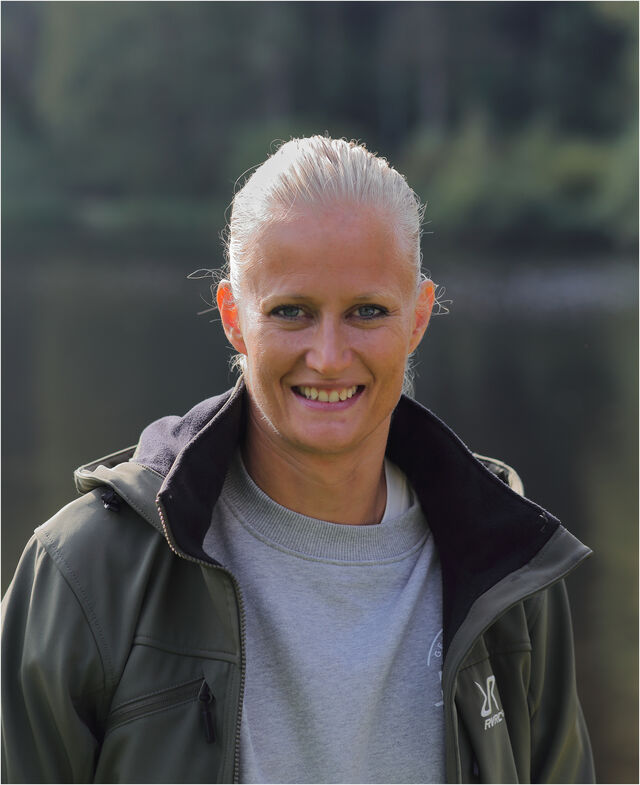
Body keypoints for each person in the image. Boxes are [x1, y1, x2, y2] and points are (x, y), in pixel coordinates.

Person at [1, 136, 594, 784]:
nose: (329, 357)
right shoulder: (88, 570)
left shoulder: (508, 567)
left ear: (419, 317)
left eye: (367, 311)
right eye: (291, 312)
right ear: (234, 317)